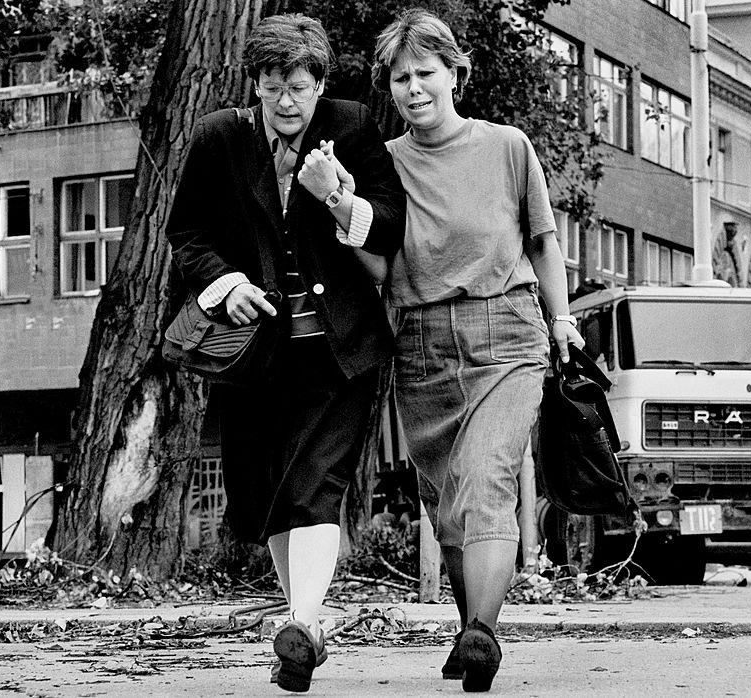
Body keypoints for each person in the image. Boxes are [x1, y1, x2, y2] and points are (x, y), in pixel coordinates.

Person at [164, 14, 405, 693]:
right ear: (257, 87)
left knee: (316, 488)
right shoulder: (220, 137)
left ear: (320, 82)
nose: (288, 103)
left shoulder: (352, 127)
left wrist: (340, 196)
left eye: (299, 87)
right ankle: (299, 630)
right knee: (269, 498)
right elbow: (186, 231)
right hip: (256, 357)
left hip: (341, 351)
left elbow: (391, 221)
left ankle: (301, 623)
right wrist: (226, 283)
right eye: (273, 88)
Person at [369, 10, 585, 693]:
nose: (413, 88)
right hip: (422, 343)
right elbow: (374, 262)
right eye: (400, 78)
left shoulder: (508, 147)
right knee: (446, 501)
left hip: (507, 333)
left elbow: (544, 242)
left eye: (425, 73)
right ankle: (469, 632)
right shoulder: (385, 163)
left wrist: (562, 320)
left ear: (456, 73)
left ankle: (484, 634)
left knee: (487, 477)